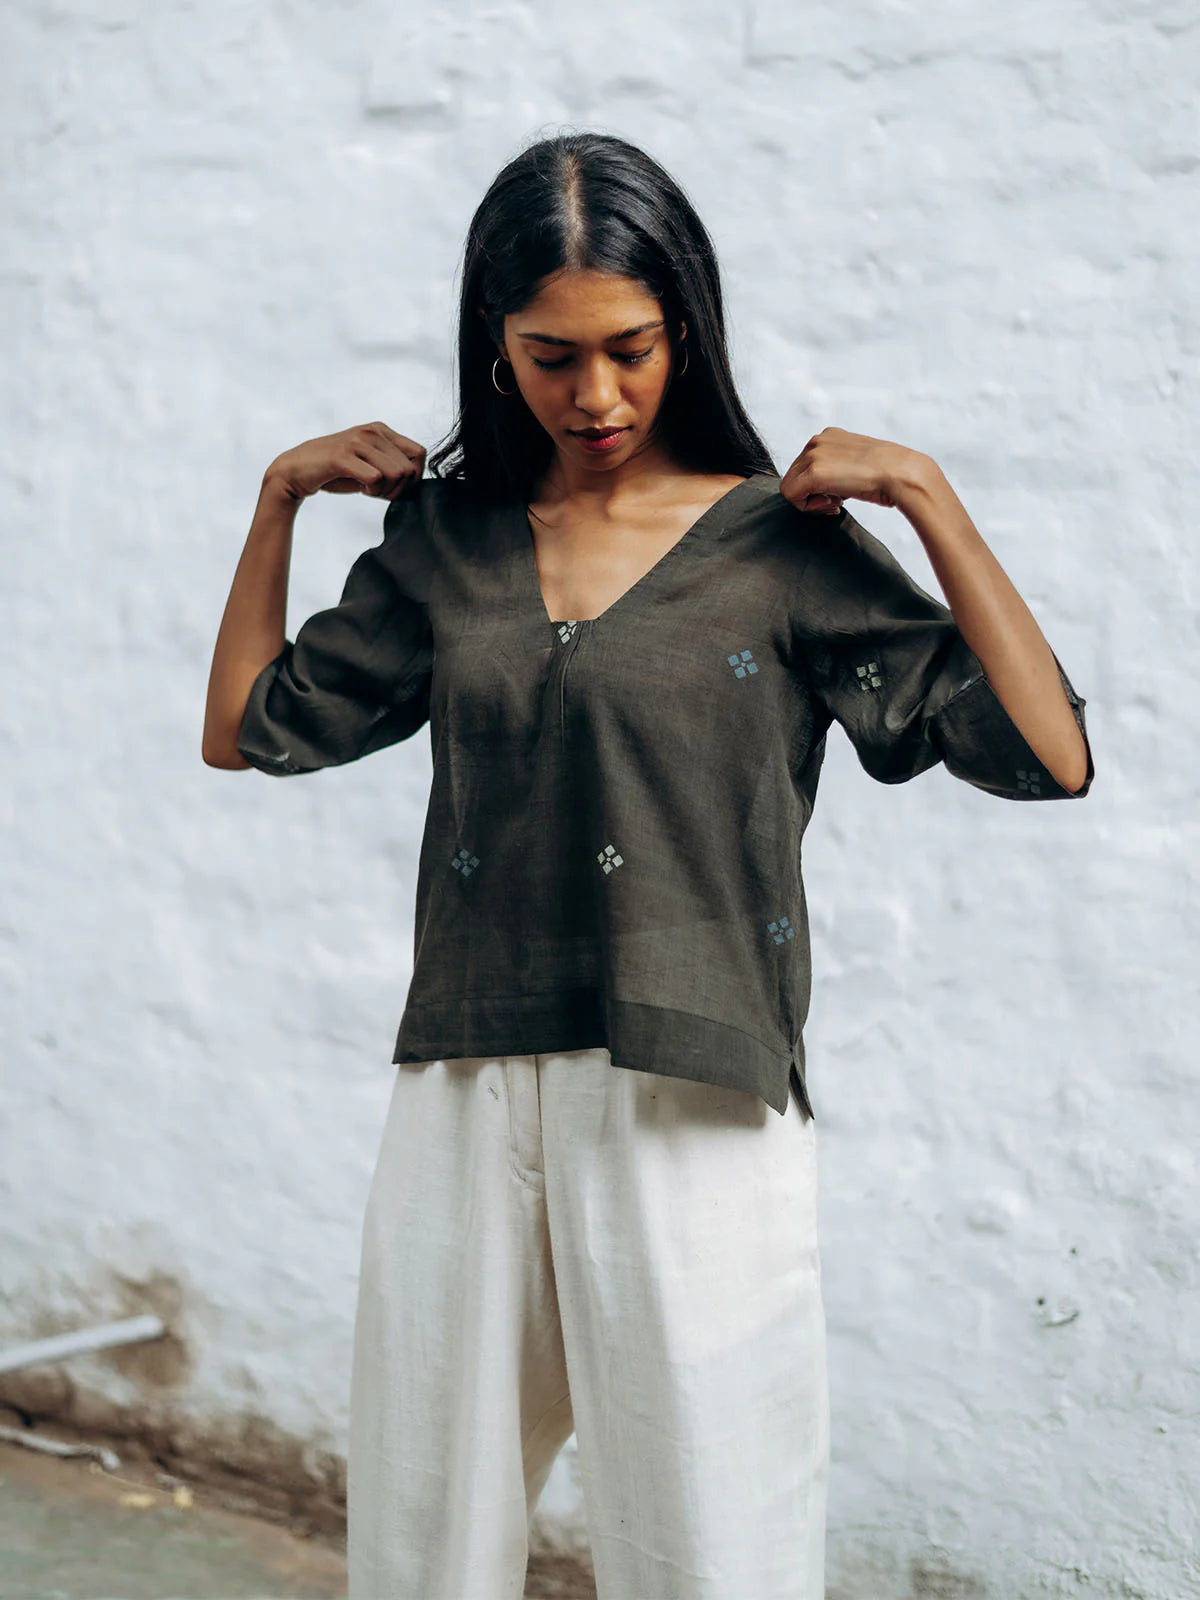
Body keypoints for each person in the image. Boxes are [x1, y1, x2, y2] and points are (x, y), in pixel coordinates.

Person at [202, 130, 1094, 1600]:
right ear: (496, 346)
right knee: (426, 1536)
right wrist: (278, 498)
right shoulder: (450, 541)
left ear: (686, 328)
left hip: (697, 1087)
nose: (597, 397)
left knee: (712, 1545)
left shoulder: (779, 546)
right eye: (551, 357)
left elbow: (1047, 751)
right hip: (470, 1076)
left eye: (631, 350)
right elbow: (247, 731)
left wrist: (932, 498)